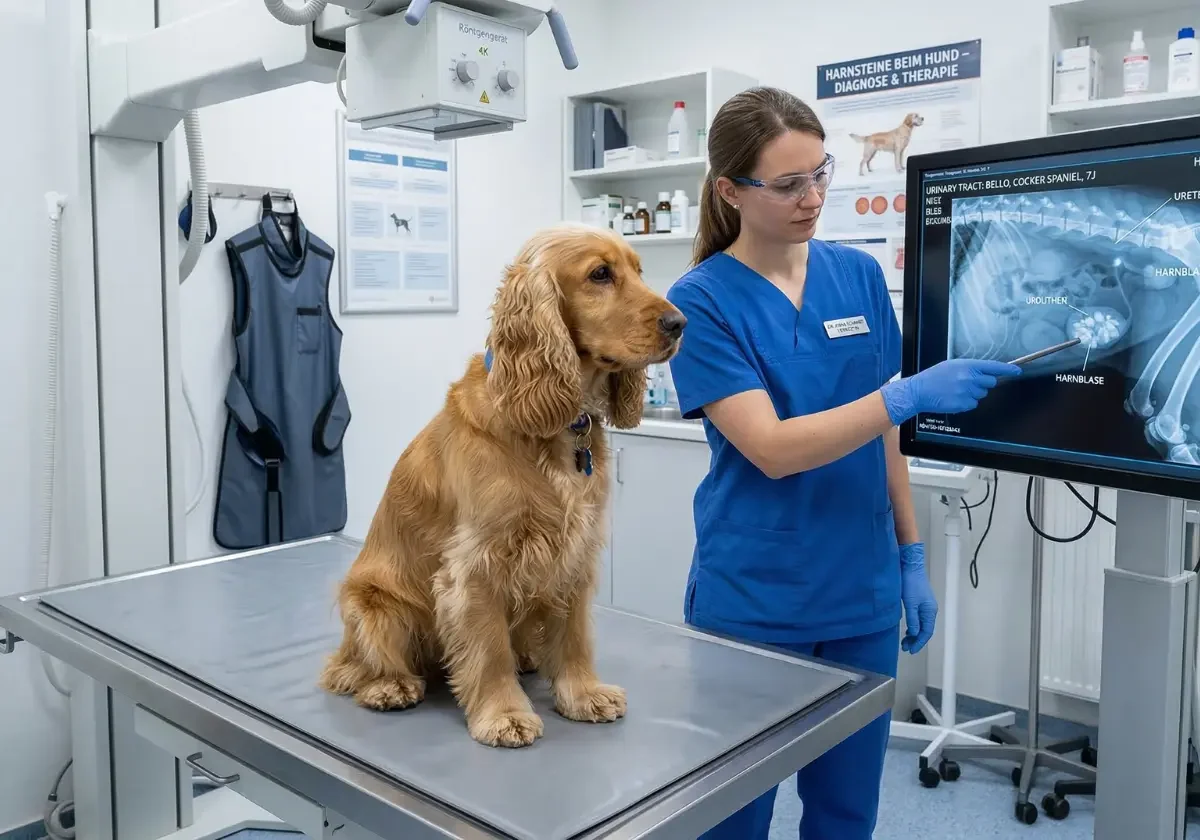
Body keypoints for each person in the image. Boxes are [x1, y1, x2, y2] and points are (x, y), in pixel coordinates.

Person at [665, 86, 1020, 840]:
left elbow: (879, 434)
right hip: (756, 601)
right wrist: (904, 397)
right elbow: (771, 448)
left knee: (846, 815)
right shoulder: (700, 302)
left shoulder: (856, 275)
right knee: (734, 817)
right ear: (730, 191)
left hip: (859, 592)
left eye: (820, 173)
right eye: (788, 184)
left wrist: (911, 552)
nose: (812, 197)